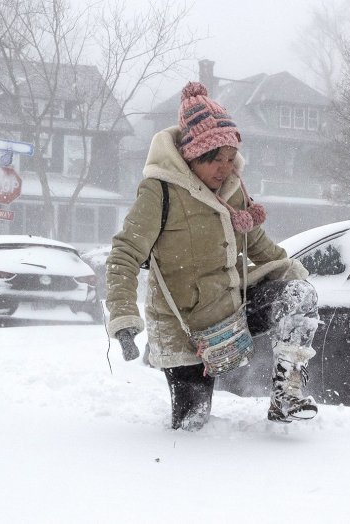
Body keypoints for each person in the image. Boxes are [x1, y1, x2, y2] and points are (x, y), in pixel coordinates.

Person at [105, 81, 320, 431]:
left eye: (230, 159)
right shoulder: (159, 191)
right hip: (185, 328)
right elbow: (125, 254)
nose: (225, 168)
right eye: (215, 160)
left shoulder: (232, 191)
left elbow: (261, 247)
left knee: (298, 294)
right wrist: (124, 318)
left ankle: (288, 394)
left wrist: (302, 278)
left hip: (232, 309)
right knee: (193, 426)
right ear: (192, 156)